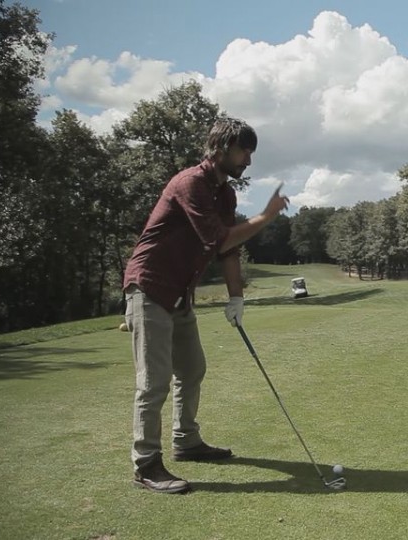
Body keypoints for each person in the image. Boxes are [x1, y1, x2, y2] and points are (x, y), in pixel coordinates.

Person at [122, 117, 289, 494]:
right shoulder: (190, 183)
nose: (248, 159)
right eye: (243, 150)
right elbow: (216, 237)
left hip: (180, 290)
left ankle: (186, 441)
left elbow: (227, 248)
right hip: (149, 286)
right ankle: (146, 464)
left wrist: (236, 297)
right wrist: (266, 216)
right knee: (154, 382)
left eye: (250, 152)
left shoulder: (225, 194)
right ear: (220, 148)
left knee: (193, 368)